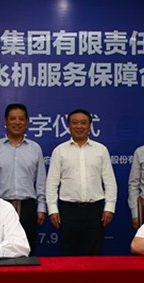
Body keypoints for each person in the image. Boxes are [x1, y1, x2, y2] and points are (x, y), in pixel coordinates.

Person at [46, 109, 117, 256]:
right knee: (69, 256)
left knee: (94, 255)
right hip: (68, 211)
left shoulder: (101, 150)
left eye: (83, 123)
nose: (79, 126)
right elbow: (52, 183)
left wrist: (109, 207)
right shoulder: (59, 151)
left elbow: (110, 182)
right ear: (69, 126)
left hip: (95, 210)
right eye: (75, 123)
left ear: (90, 126)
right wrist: (52, 209)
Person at [0, 103, 47, 255]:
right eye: (12, 118)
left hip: (27, 207)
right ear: (5, 121)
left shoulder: (35, 148)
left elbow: (40, 180)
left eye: (21, 119)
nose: (17, 122)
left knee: (27, 248)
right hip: (0, 206)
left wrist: (41, 207)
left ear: (27, 122)